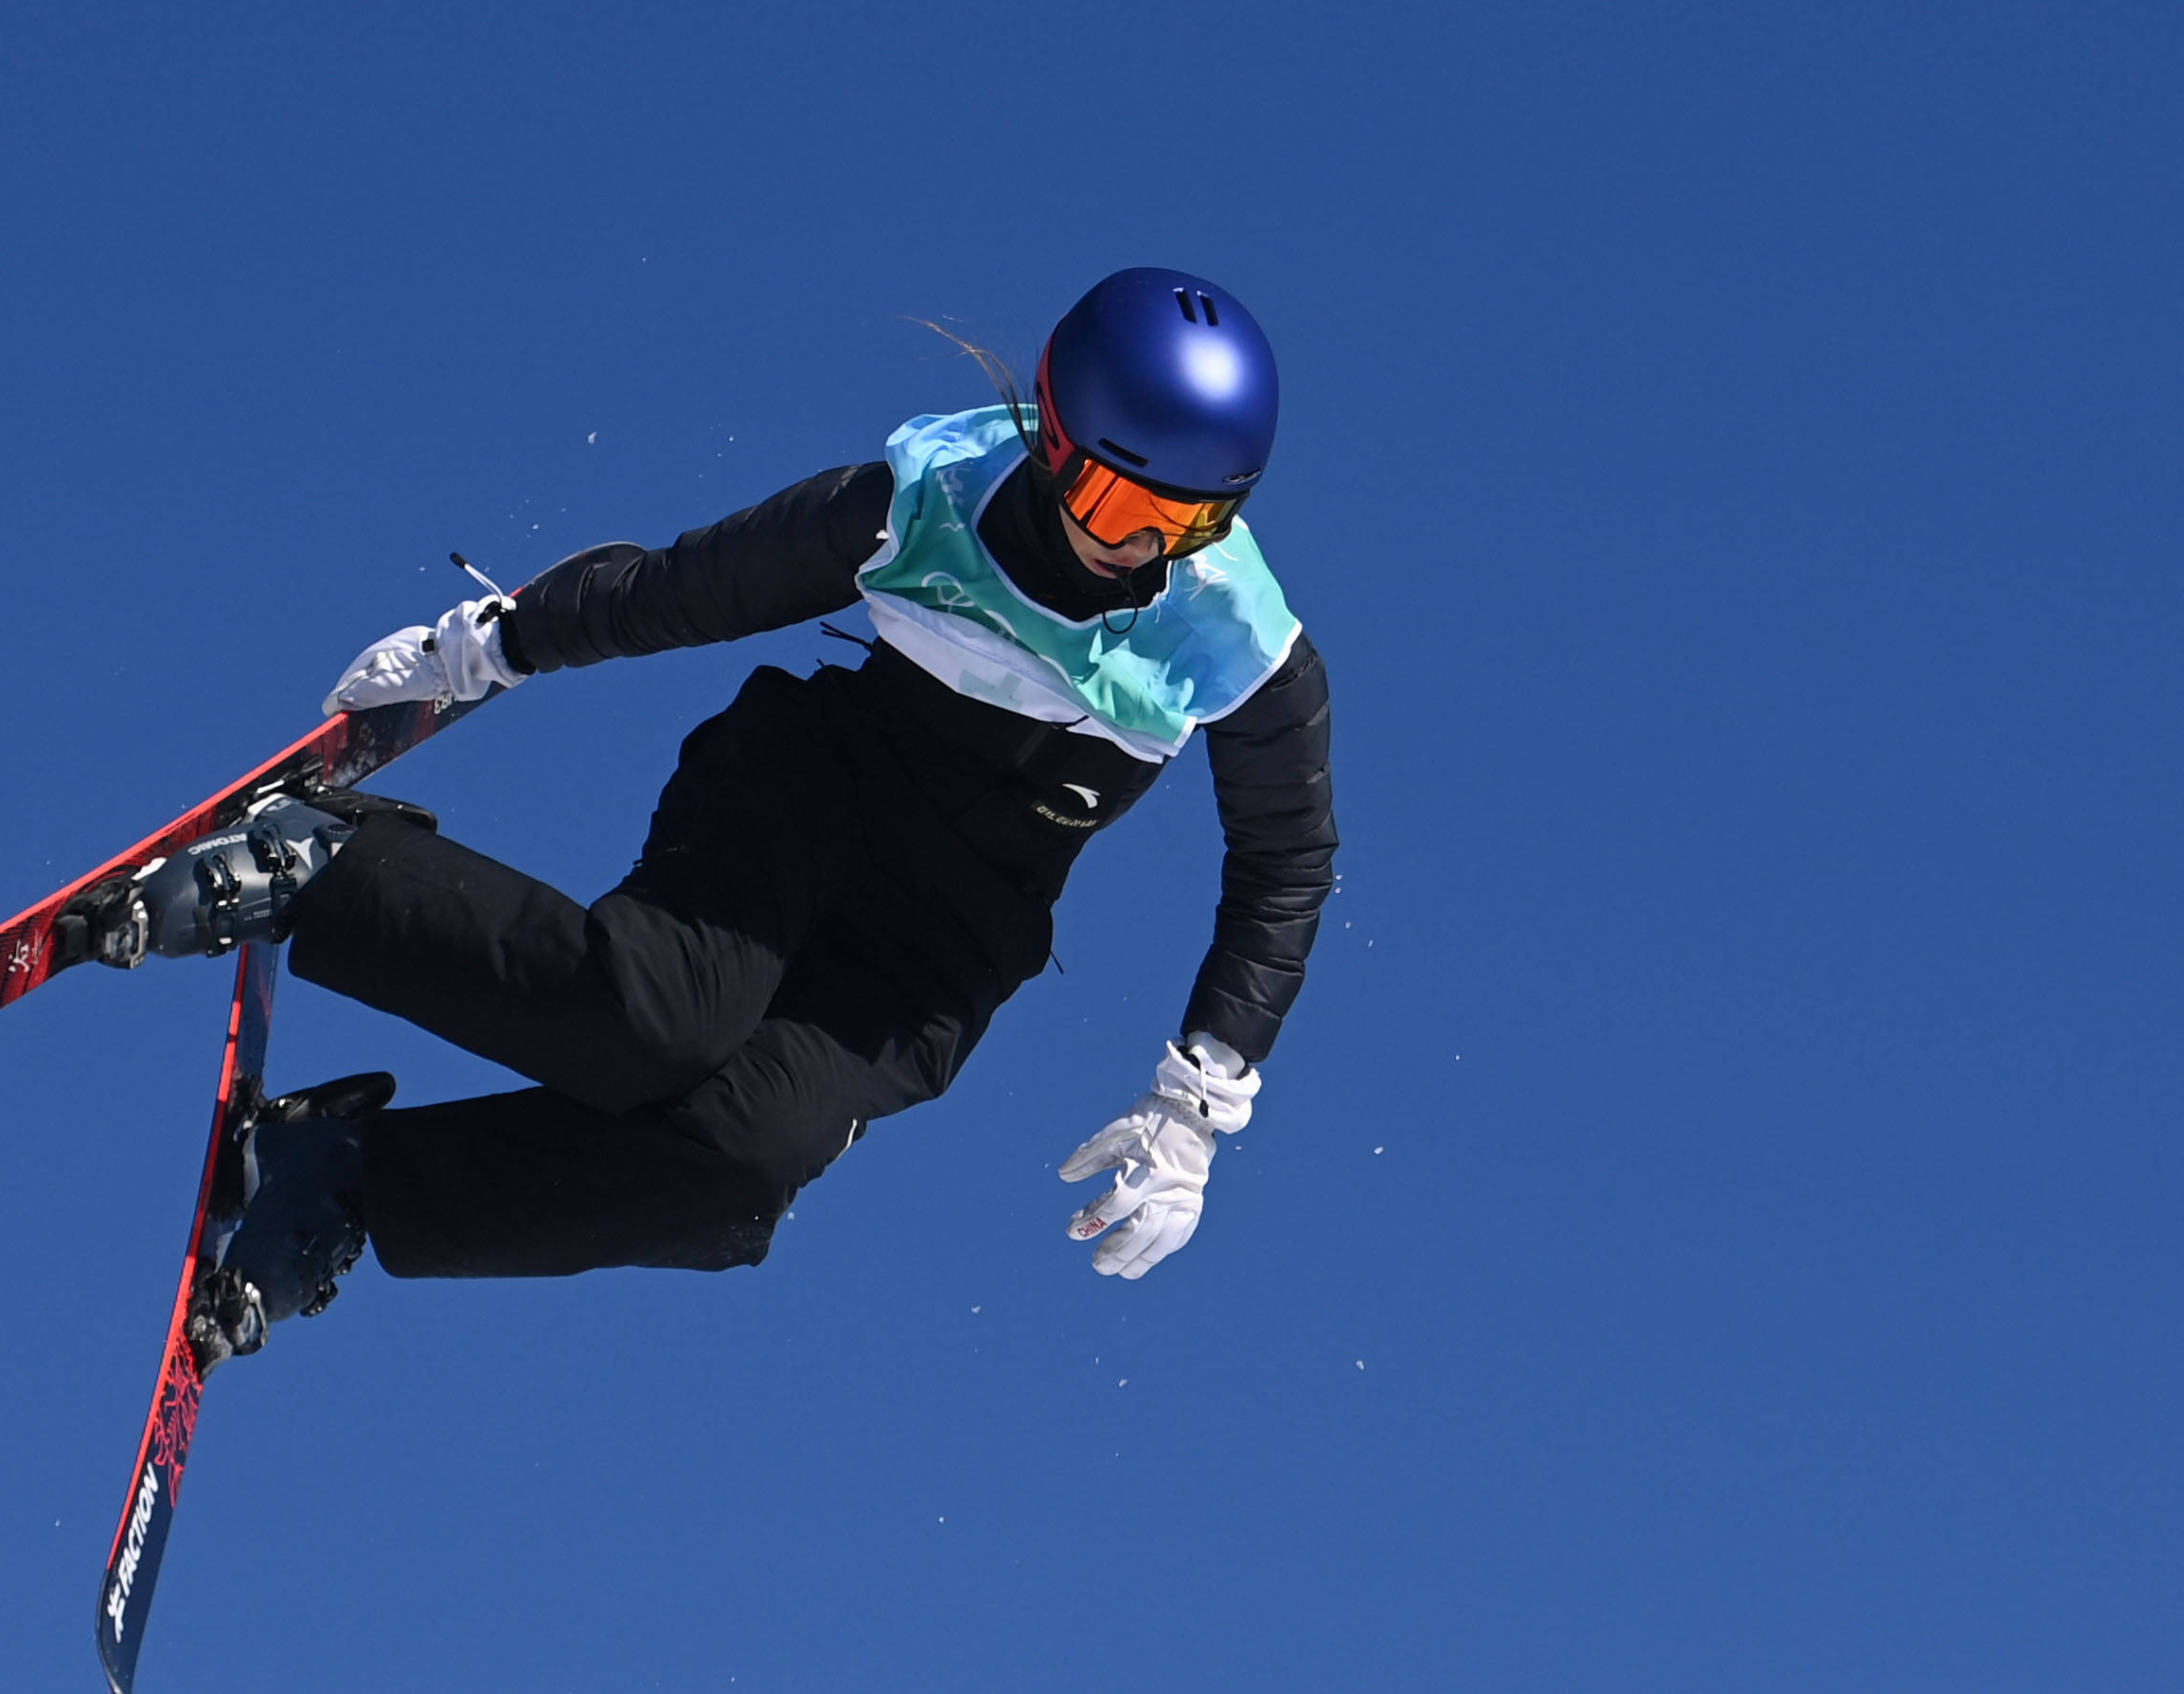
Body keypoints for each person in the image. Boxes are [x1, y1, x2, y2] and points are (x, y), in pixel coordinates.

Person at [94, 267, 1338, 1354]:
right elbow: (685, 588)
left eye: (1197, 520)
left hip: (939, 951)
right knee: (654, 1018)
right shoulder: (920, 508)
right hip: (817, 794)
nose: (1151, 556)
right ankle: (322, 866)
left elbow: (1285, 864)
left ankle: (346, 1176)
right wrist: (488, 644)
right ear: (1059, 444)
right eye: (1130, 510)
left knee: (739, 1175)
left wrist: (1194, 1109)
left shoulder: (1234, 639)